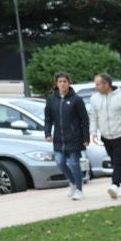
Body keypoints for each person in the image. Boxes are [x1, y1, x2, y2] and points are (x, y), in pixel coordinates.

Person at [43, 71, 89, 201]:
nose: (62, 84)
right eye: (60, 82)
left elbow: (84, 120)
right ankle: (73, 183)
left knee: (74, 163)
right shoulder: (51, 100)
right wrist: (47, 133)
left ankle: (79, 190)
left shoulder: (76, 100)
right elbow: (48, 119)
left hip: (74, 138)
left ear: (69, 83)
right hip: (58, 139)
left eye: (65, 81)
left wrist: (86, 138)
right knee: (60, 162)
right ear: (56, 84)